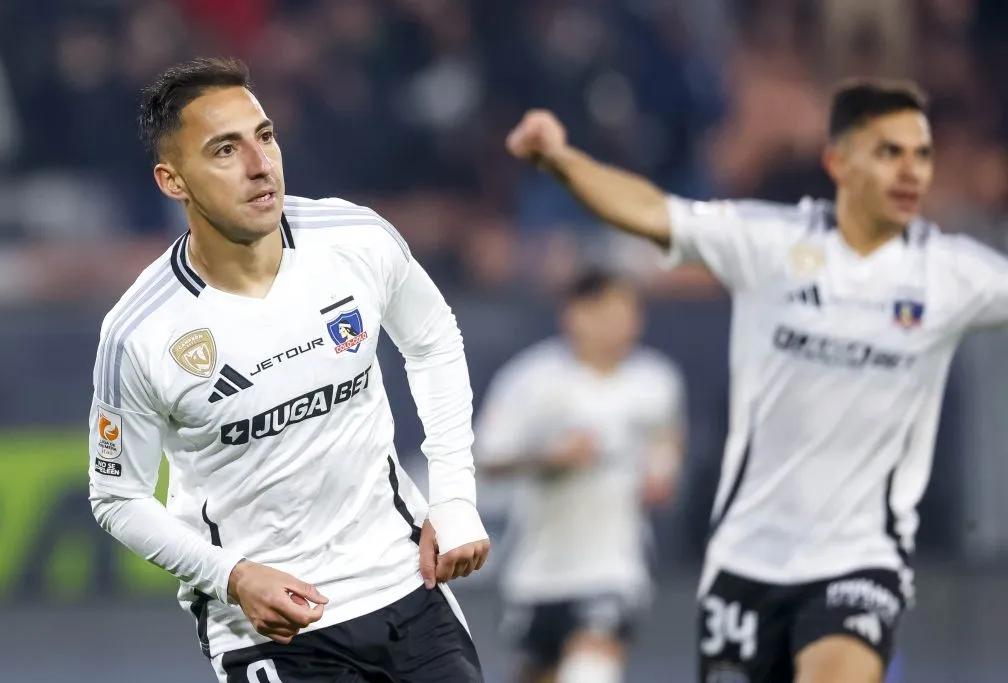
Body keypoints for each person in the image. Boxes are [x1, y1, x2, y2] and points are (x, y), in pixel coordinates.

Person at [505, 79, 1008, 683]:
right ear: (838, 162)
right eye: (888, 152)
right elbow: (647, 210)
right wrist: (561, 159)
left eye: (922, 155)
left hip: (861, 560)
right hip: (747, 560)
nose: (911, 171)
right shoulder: (768, 243)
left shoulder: (951, 273)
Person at [87, 57, 489, 683]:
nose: (260, 165)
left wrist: (456, 497)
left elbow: (434, 340)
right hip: (270, 631)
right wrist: (233, 577)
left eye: (265, 136)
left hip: (407, 589)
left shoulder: (353, 239)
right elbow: (118, 496)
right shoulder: (139, 332)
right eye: (225, 150)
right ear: (173, 181)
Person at [475, 268, 687, 683]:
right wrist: (549, 458)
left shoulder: (656, 381)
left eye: (629, 313)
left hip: (613, 566)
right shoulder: (532, 380)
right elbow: (488, 458)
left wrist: (662, 476)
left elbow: (668, 443)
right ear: (575, 315)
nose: (623, 325)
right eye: (608, 312)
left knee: (590, 669)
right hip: (537, 571)